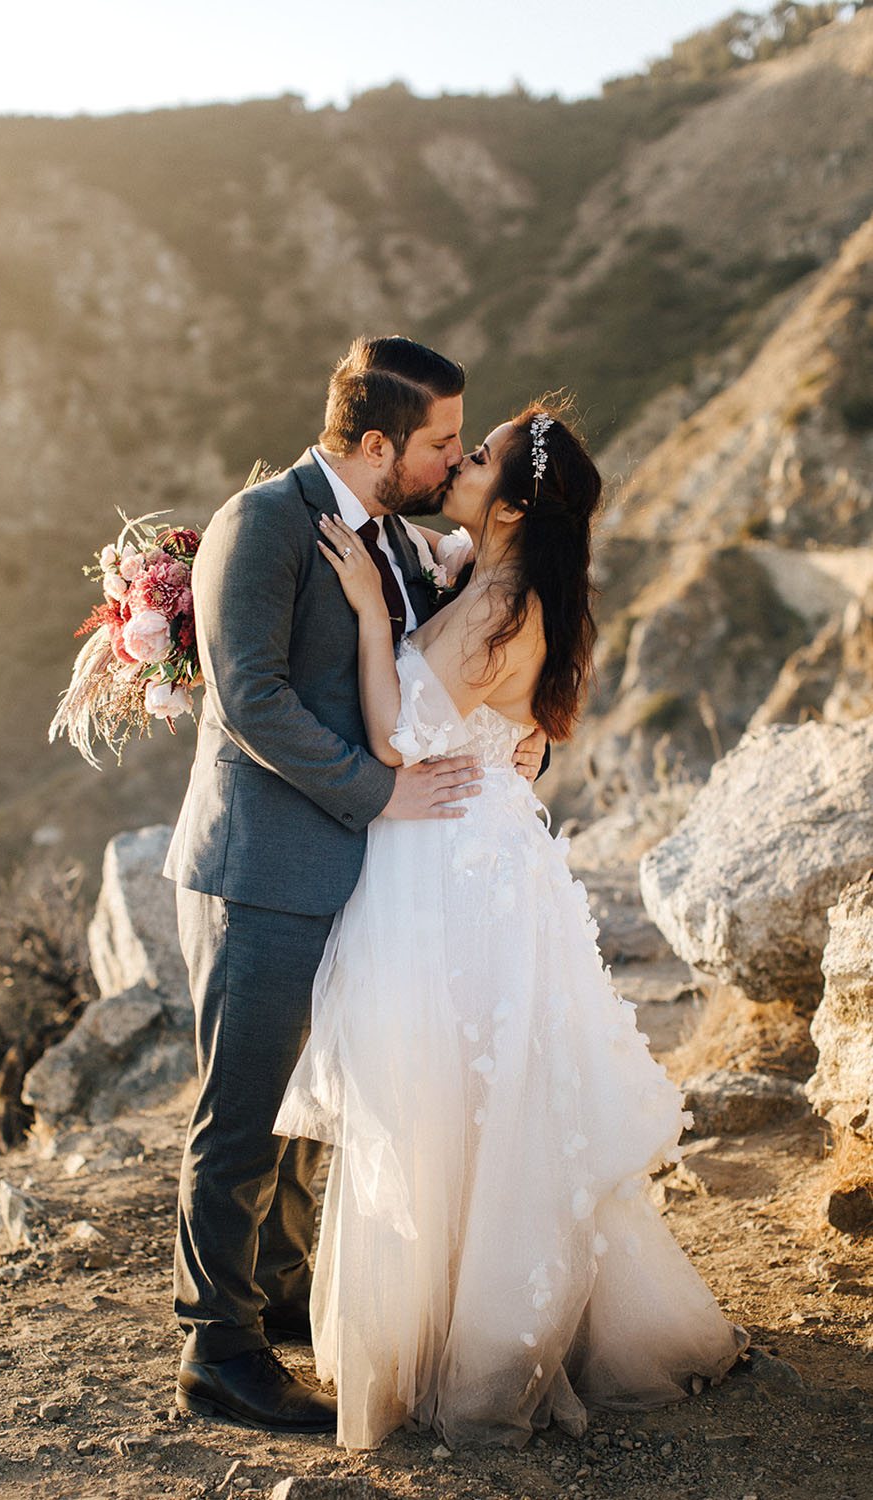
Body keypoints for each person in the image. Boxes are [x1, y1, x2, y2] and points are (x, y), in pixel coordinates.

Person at [275, 398, 749, 1450]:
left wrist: (363, 612)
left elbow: (398, 734)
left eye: (478, 456)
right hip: (461, 851)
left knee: (455, 1098)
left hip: (449, 867)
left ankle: (476, 1345)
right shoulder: (487, 581)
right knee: (462, 1095)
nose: (461, 461)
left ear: (515, 501)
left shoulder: (501, 607)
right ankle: (453, 1320)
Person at [162, 336, 549, 1433]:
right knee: (240, 1115)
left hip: (352, 872)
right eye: (436, 442)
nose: (449, 459)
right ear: (375, 442)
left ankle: (276, 1296)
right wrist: (377, 796)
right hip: (263, 867)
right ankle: (215, 1348)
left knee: (302, 1108)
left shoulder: (398, 537)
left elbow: (461, 672)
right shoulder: (264, 524)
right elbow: (251, 697)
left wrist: (518, 746)